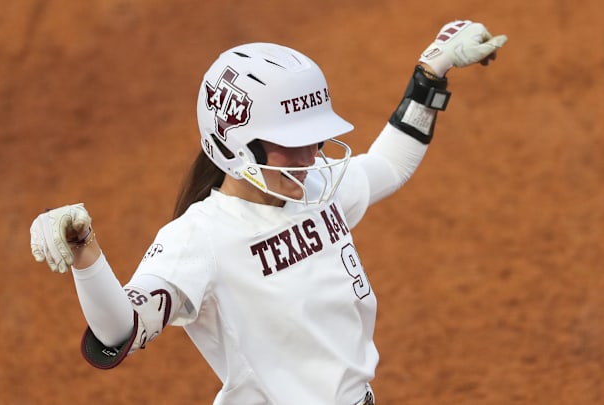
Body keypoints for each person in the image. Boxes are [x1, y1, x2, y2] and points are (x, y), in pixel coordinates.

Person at [30, 20, 507, 405]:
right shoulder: (201, 238)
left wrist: (432, 71)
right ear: (235, 144)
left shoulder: (316, 184)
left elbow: (388, 163)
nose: (310, 157)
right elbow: (120, 330)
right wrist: (86, 256)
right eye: (291, 145)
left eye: (314, 141)